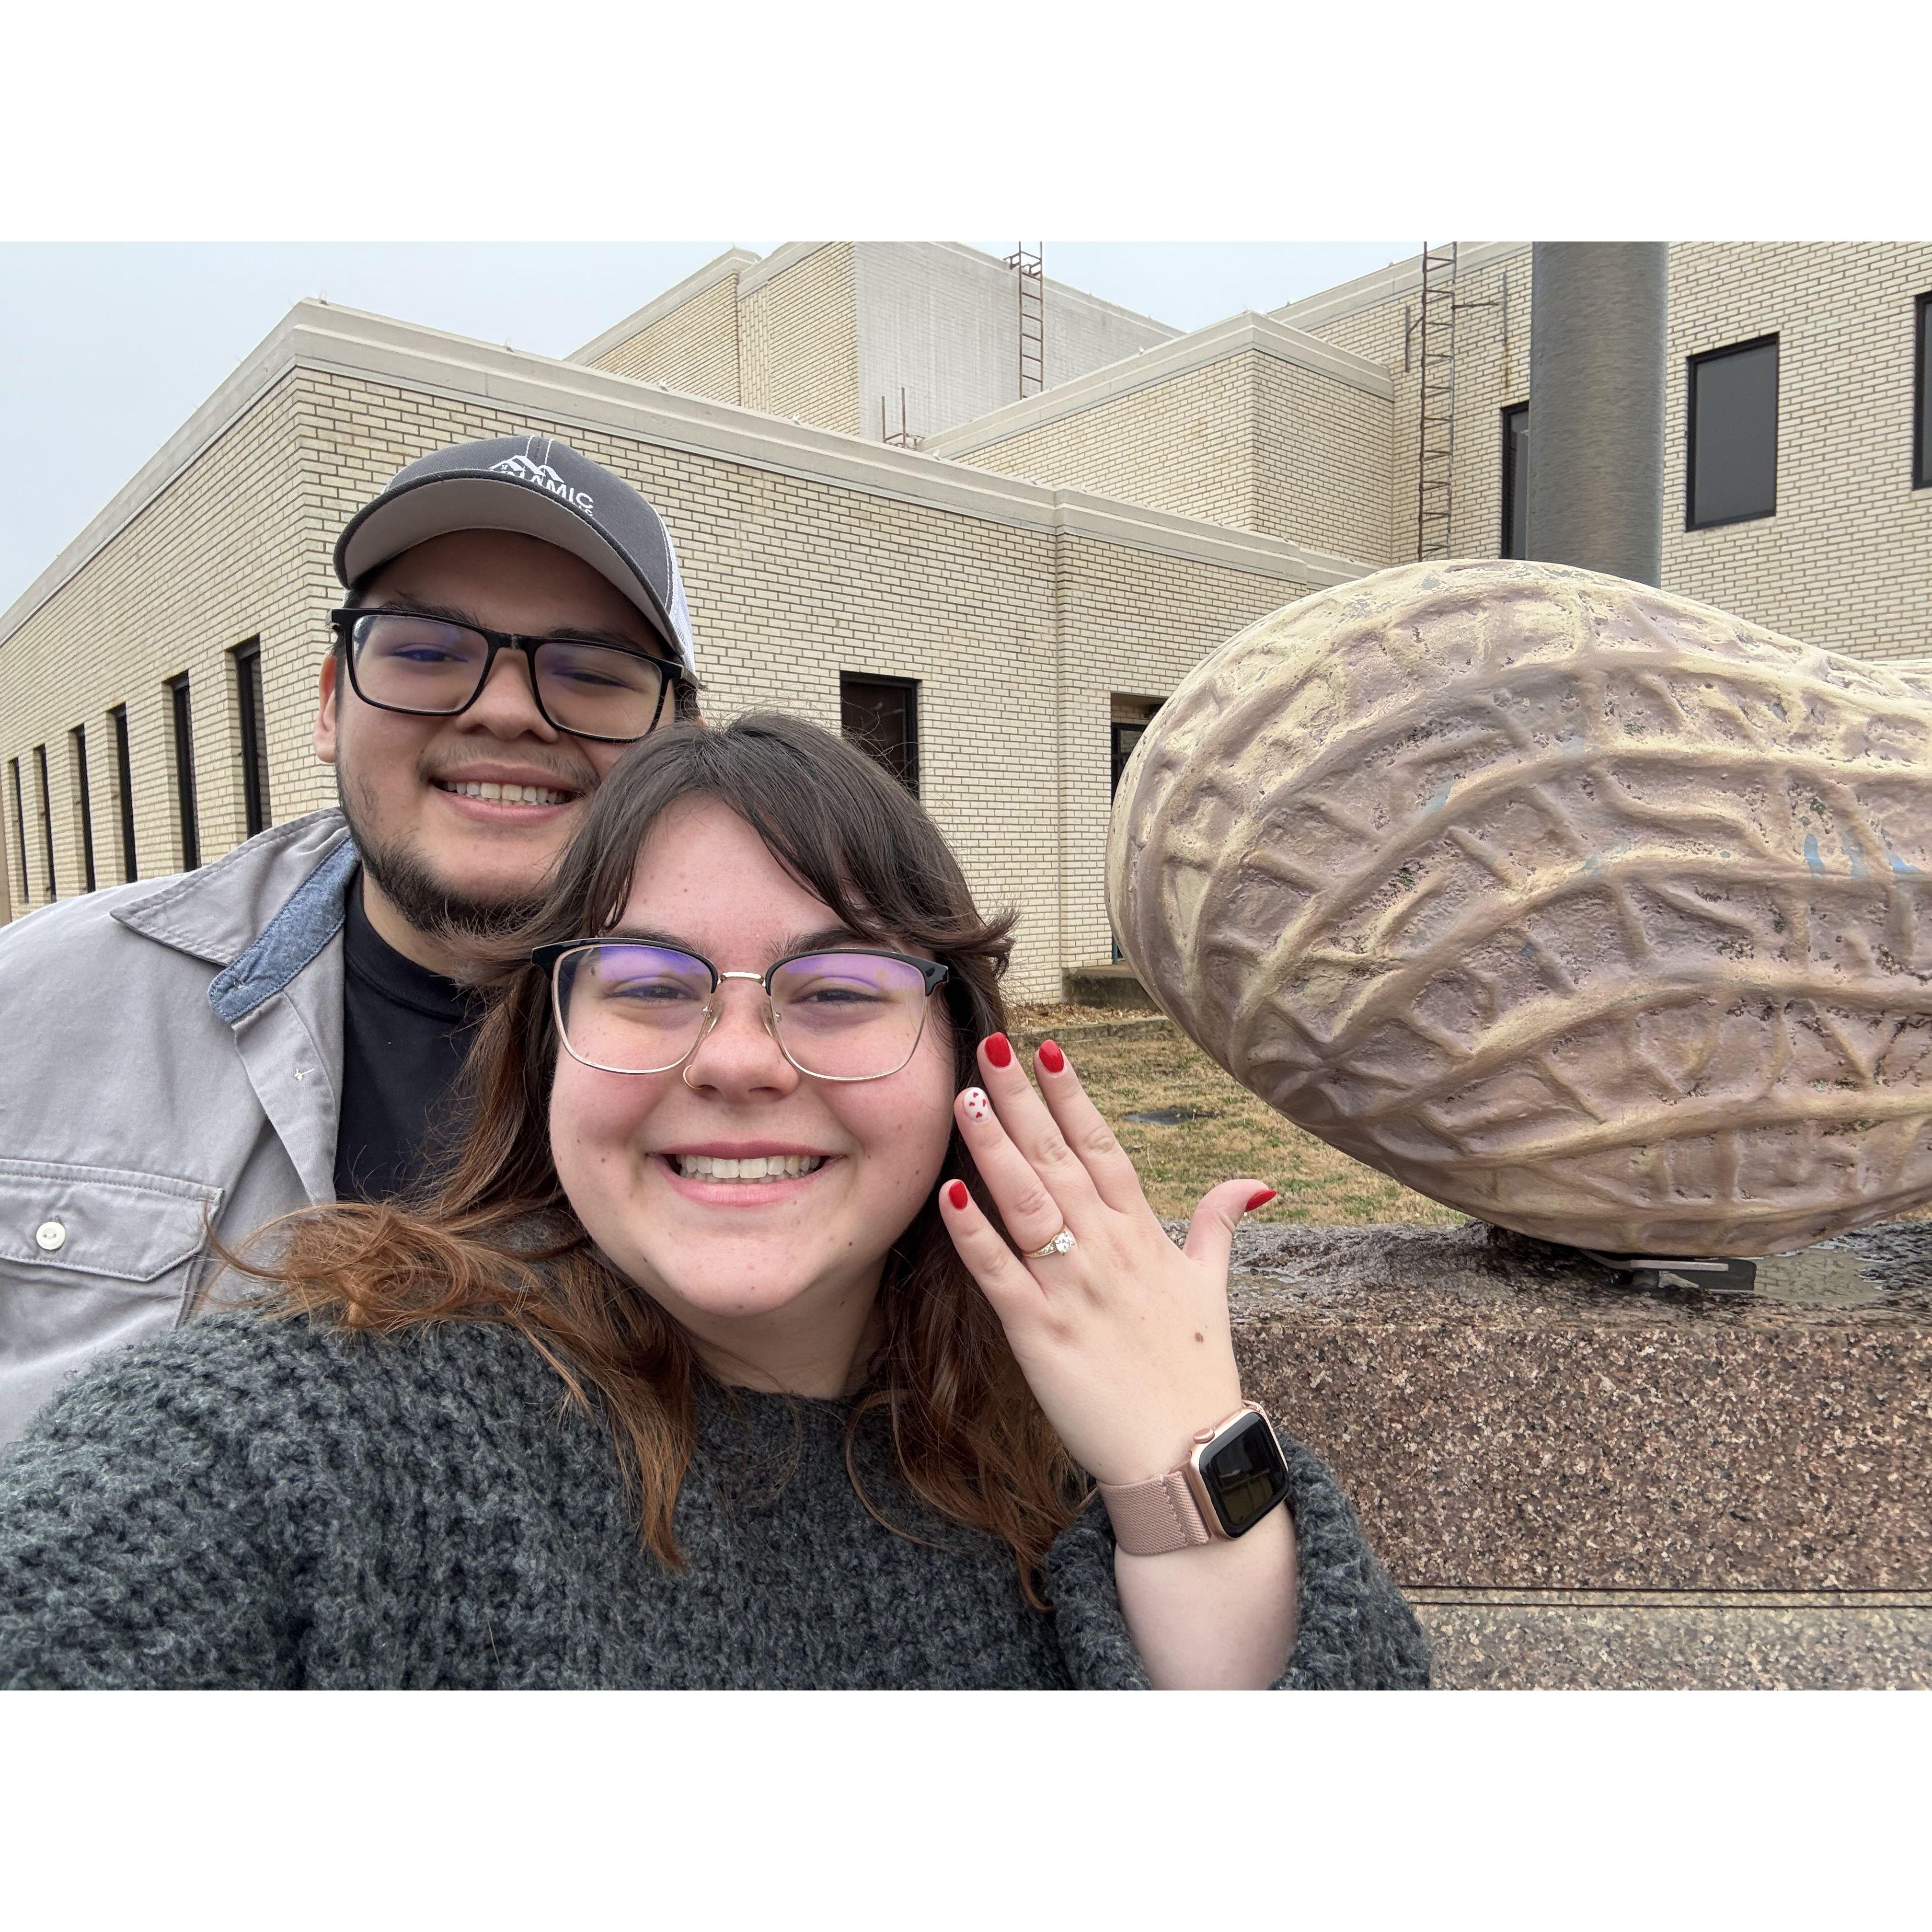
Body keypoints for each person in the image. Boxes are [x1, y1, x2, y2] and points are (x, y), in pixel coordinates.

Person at [0, 713, 1430, 1690]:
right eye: (650, 985)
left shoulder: (1077, 1451)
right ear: (545, 1054)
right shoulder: (287, 1438)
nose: (739, 1059)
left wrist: (1181, 1470)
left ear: (959, 1064)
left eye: (840, 989)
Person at [0, 434, 699, 1446]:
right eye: (427, 652)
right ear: (332, 703)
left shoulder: (780, 1067)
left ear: (678, 740)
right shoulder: (36, 1003)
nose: (506, 711)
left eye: (592, 672)